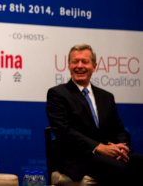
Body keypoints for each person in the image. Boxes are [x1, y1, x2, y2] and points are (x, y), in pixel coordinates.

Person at [46, 44, 143, 185]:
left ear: (94, 66)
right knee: (121, 169)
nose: (79, 66)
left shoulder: (106, 97)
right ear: (68, 65)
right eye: (75, 61)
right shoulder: (58, 94)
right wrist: (99, 147)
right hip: (79, 157)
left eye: (85, 61)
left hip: (108, 156)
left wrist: (122, 147)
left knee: (139, 162)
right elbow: (64, 131)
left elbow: (118, 129)